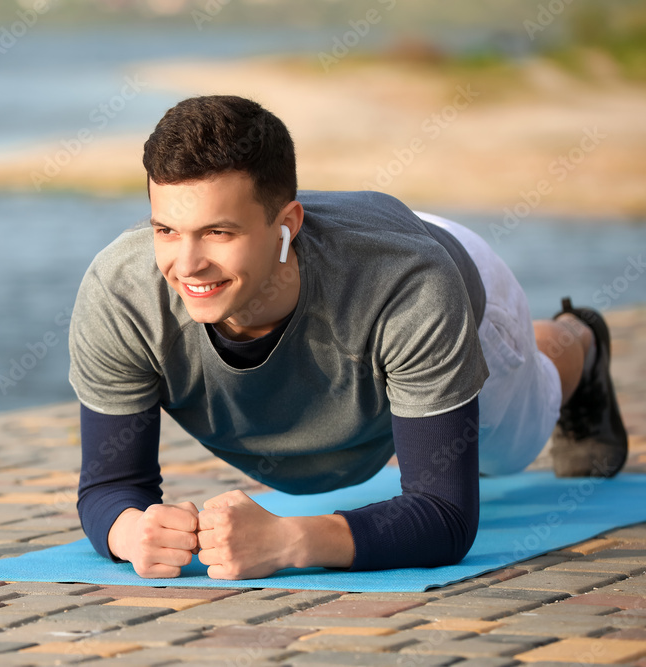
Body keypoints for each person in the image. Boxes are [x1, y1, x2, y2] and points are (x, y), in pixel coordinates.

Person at [67, 95, 627, 579]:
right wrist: (131, 531)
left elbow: (445, 514)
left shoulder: (412, 289)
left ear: (286, 225)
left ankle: (579, 341)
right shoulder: (122, 292)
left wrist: (289, 541)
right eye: (166, 229)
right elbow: (108, 487)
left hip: (445, 280)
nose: (186, 264)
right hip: (364, 261)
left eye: (218, 232)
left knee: (508, 452)